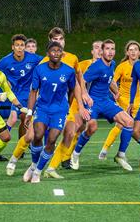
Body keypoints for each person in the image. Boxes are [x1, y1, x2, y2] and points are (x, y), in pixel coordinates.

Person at [5, 27, 89, 176]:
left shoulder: (72, 58)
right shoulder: (43, 62)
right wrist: (32, 110)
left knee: (70, 132)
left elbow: (78, 79)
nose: (59, 42)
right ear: (50, 42)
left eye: (61, 39)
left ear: (64, 40)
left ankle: (51, 168)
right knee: (31, 136)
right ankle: (14, 158)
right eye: (55, 40)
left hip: (62, 107)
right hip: (43, 106)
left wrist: (84, 95)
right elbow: (35, 88)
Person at [70, 39, 135, 171]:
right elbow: (82, 79)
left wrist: (116, 92)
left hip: (106, 101)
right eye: (107, 49)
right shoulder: (96, 66)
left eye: (112, 49)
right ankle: (75, 154)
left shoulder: (113, 64)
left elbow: (109, 80)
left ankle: (120, 155)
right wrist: (85, 95)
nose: (110, 52)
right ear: (102, 51)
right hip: (93, 101)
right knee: (92, 127)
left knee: (129, 122)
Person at [44, 40, 102, 179]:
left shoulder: (108, 65)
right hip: (78, 102)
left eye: (102, 48)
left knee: (86, 128)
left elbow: (110, 82)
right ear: (92, 51)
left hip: (94, 103)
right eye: (96, 48)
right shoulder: (83, 64)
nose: (99, 50)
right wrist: (82, 96)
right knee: (73, 129)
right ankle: (56, 163)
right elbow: (78, 81)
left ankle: (69, 155)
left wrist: (115, 93)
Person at [21, 41, 76, 183]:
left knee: (52, 140)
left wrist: (66, 107)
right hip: (43, 108)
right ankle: (33, 165)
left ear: (62, 54)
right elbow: (33, 92)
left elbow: (72, 90)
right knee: (38, 135)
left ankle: (38, 171)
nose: (56, 53)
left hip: (59, 111)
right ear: (48, 54)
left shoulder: (69, 71)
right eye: (53, 51)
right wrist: (29, 112)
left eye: (59, 51)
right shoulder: (39, 70)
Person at [0, 34, 43, 157]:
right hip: (16, 95)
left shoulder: (33, 58)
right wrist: (4, 88)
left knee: (28, 121)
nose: (20, 48)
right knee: (12, 118)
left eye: (22, 45)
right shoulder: (5, 62)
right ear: (13, 47)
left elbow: (47, 61)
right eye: (17, 45)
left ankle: (23, 148)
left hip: (32, 94)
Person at [99, 40, 140, 159]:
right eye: (131, 50)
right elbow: (111, 80)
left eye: (135, 50)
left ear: (139, 52)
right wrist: (115, 93)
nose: (133, 52)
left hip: (138, 102)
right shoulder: (122, 66)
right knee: (120, 125)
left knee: (138, 126)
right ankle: (105, 148)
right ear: (127, 52)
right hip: (123, 100)